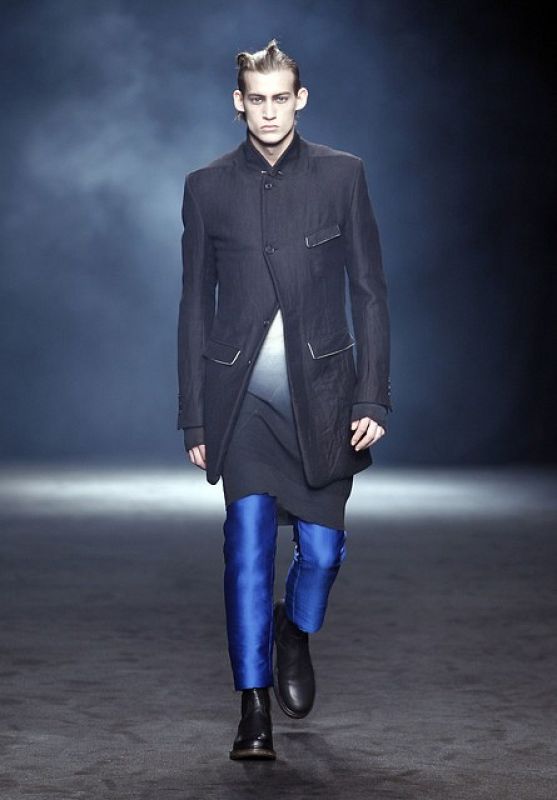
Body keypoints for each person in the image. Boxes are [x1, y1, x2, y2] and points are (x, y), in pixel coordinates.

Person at [177, 38, 392, 760]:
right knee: (245, 550)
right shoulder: (206, 186)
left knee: (322, 554)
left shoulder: (342, 175)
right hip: (240, 402)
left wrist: (373, 395)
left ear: (299, 100)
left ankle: (293, 630)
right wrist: (194, 413)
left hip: (324, 400)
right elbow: (194, 306)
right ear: (238, 103)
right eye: (256, 100)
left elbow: (369, 291)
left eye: (280, 98)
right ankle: (252, 711)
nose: (268, 112)